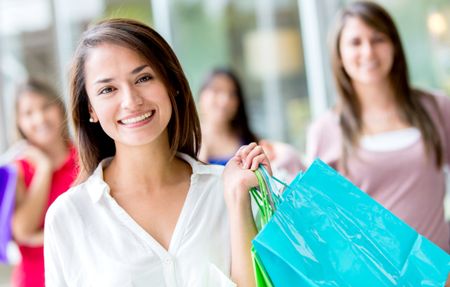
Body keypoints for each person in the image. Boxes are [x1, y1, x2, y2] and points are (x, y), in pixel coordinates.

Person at [44, 19, 271, 286]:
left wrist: (237, 199)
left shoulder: (229, 190)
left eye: (143, 78)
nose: (131, 101)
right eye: (107, 89)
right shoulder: (69, 217)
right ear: (90, 109)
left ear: (171, 83)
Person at [306, 1, 450, 251]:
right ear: (339, 55)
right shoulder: (326, 130)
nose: (368, 52)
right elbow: (319, 224)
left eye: (378, 39)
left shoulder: (436, 108)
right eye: (355, 42)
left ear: (394, 45)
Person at [10, 79, 78, 287]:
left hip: (81, 274)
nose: (39, 118)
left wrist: (37, 237)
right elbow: (21, 231)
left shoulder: (85, 158)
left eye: (46, 106)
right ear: (20, 123)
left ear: (59, 108)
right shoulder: (18, 170)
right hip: (35, 280)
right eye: (29, 113)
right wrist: (44, 169)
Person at [198, 68, 303, 181]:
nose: (225, 100)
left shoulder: (249, 139)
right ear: (201, 95)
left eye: (232, 94)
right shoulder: (189, 143)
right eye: (217, 91)